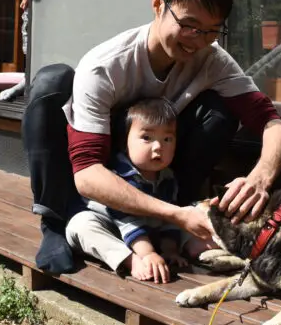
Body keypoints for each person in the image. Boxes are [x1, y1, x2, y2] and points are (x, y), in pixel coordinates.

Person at [23, 0, 281, 275]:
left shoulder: (213, 60)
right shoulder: (105, 67)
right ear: (158, 3)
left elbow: (274, 124)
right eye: (189, 26)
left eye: (211, 31)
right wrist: (176, 216)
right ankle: (55, 221)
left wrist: (260, 178)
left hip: (160, 176)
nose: (197, 40)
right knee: (51, 84)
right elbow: (87, 173)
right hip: (105, 167)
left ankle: (175, 215)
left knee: (220, 111)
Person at [66, 97, 189, 284]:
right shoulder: (120, 174)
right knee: (80, 226)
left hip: (145, 233)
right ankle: (129, 260)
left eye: (167, 139)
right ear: (125, 142)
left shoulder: (168, 178)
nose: (158, 147)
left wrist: (169, 250)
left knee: (186, 222)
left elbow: (170, 219)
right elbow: (126, 220)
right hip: (112, 228)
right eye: (147, 138)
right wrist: (147, 254)